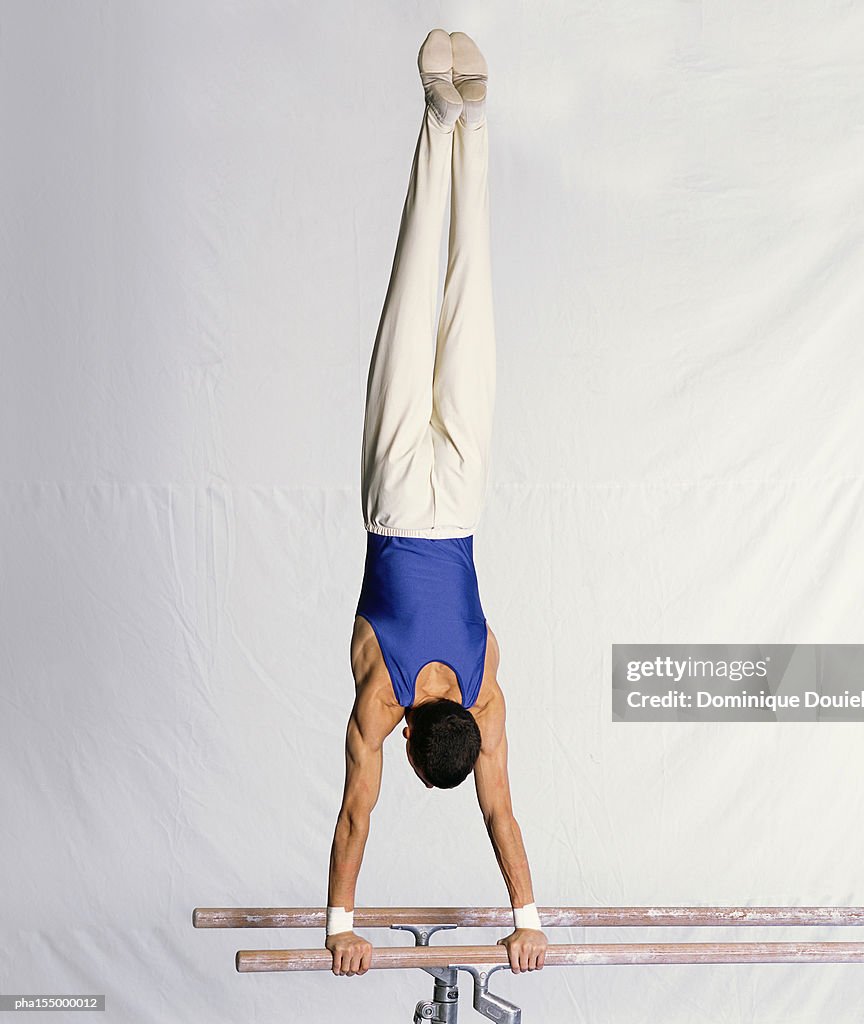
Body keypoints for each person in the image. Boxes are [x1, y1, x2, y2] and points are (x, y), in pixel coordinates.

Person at [324, 29, 548, 979]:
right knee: (415, 289)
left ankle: (473, 122)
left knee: (467, 294)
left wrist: (528, 914)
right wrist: (339, 925)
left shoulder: (489, 684)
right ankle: (438, 116)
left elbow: (501, 810)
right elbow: (354, 814)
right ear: (410, 737)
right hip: (394, 497)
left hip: (458, 501)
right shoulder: (378, 699)